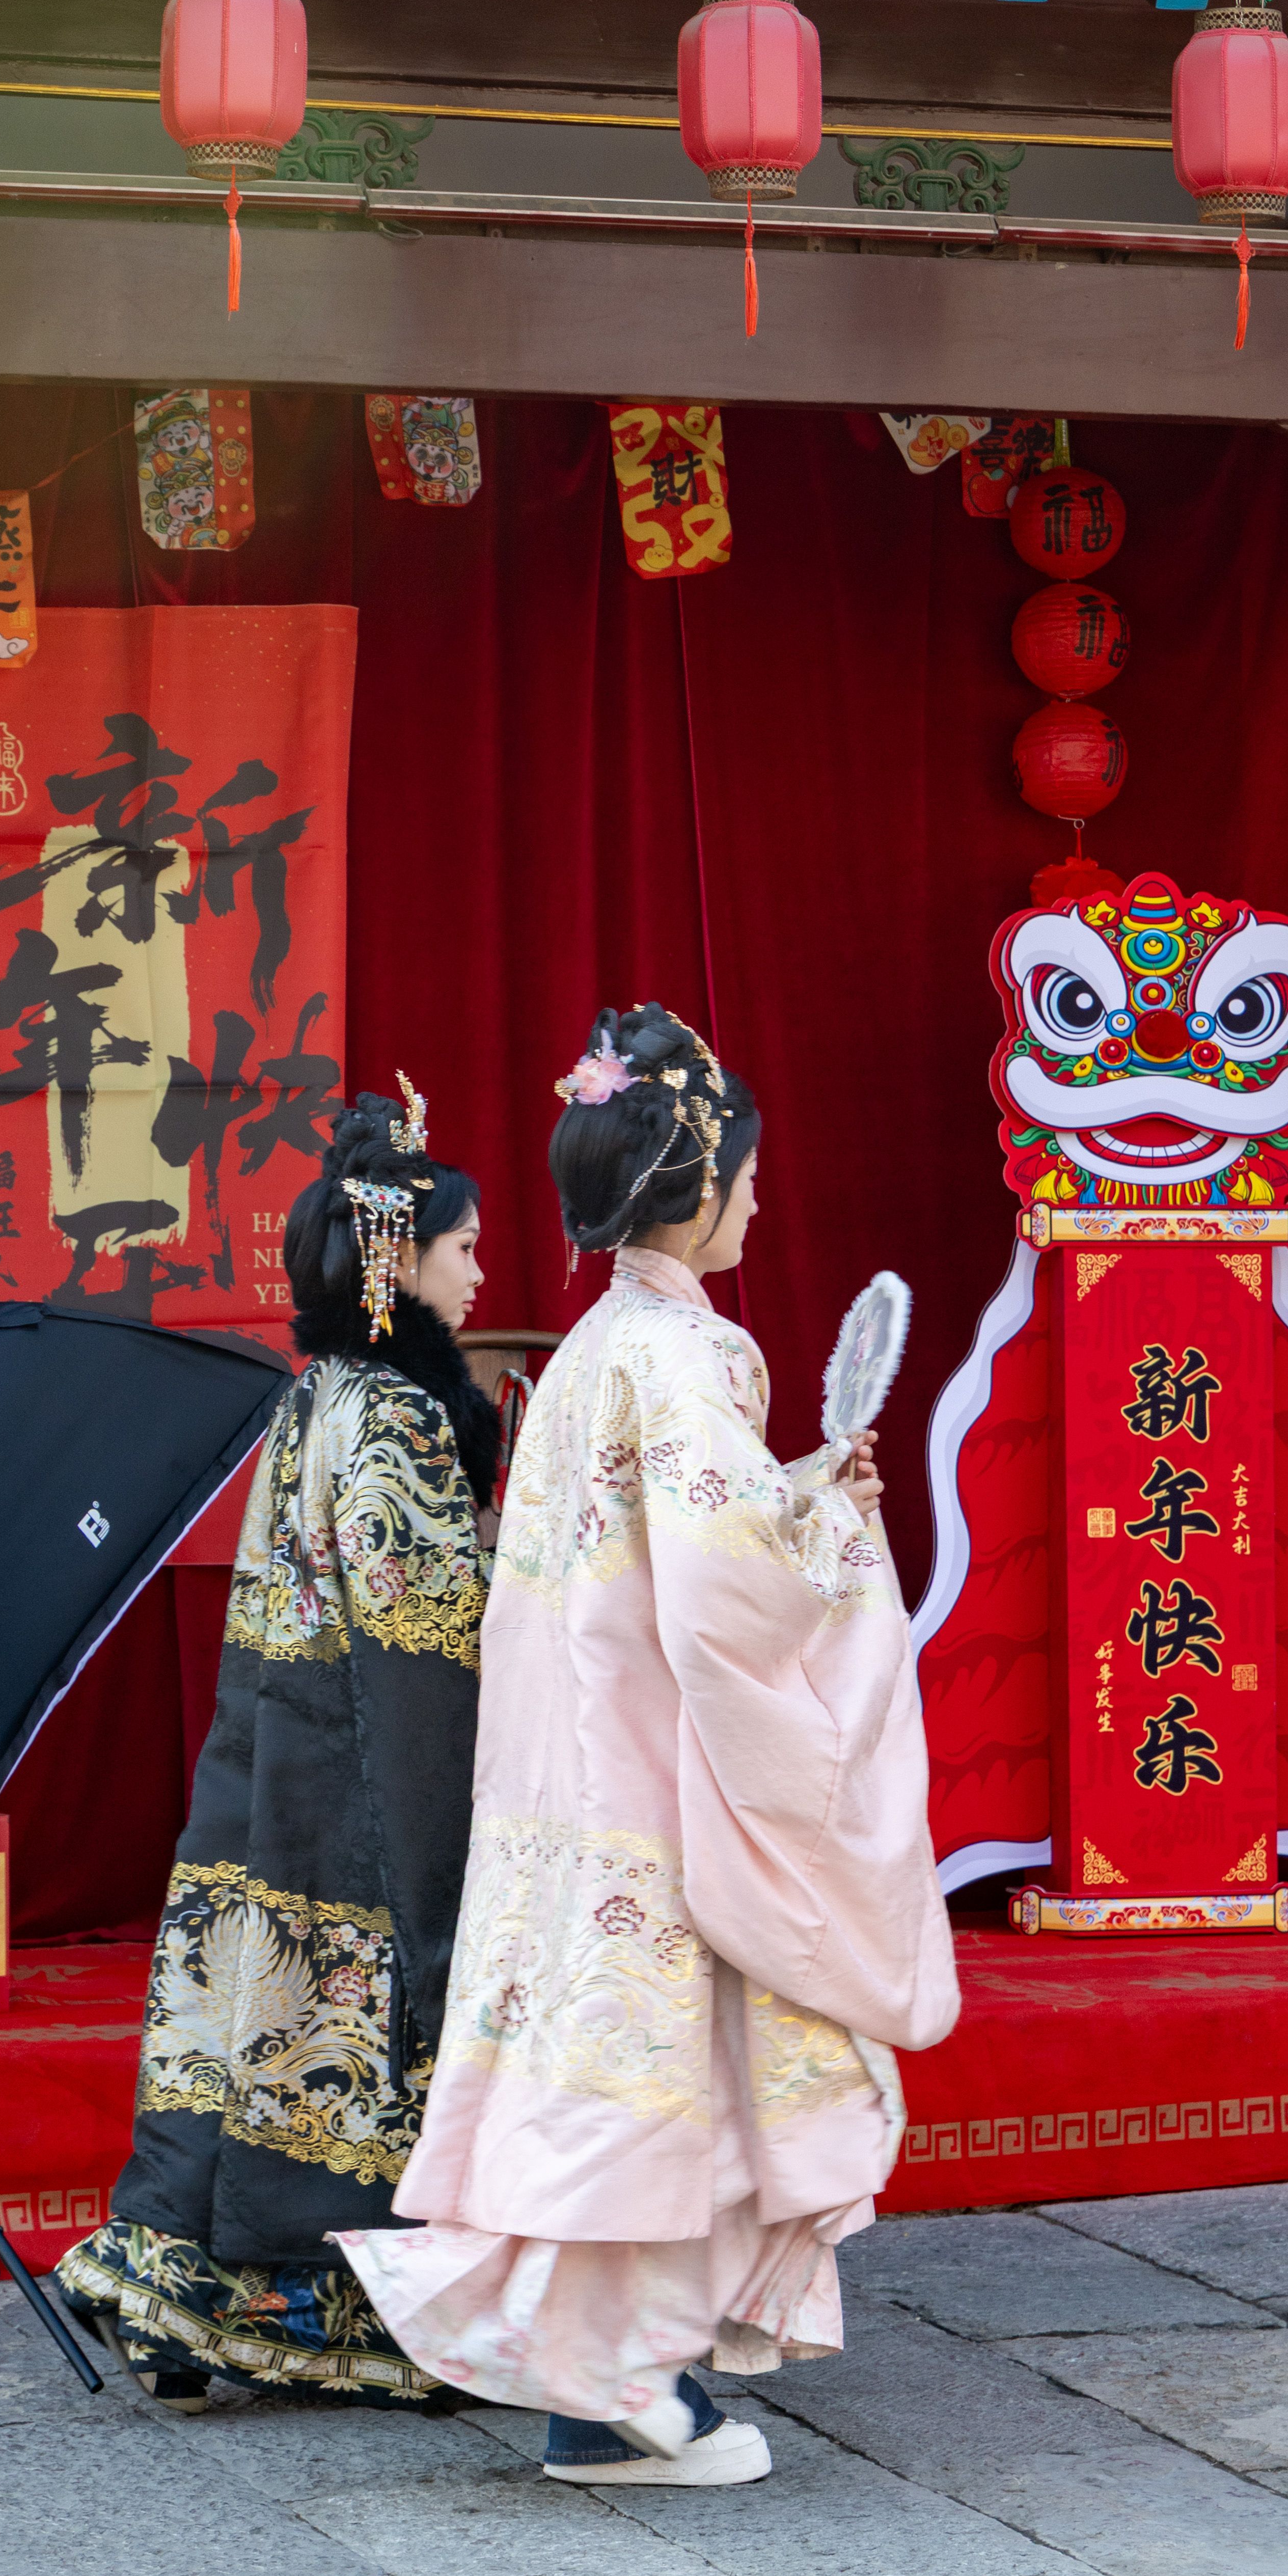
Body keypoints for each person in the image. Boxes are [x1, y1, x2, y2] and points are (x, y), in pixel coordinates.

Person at [336, 1003, 958, 2484]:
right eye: (743, 1178)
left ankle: (603, 2391)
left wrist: (799, 1488)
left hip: (564, 1772)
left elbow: (662, 1548)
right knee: (663, 2071)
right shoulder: (689, 1351)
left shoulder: (595, 1347)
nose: (757, 1203)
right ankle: (627, 2397)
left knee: (595, 2073)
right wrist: (830, 1533)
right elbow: (724, 1591)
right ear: (693, 1190)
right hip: (650, 1775)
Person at [59, 1080, 499, 2409]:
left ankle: (163, 2285)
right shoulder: (402, 1417)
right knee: (323, 2050)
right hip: (353, 1789)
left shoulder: (318, 1395)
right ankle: (307, 2312)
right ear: (395, 1261)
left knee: (237, 2029)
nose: (480, 1273)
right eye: (463, 1247)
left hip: (264, 1762)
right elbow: (429, 1649)